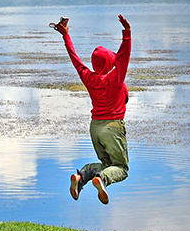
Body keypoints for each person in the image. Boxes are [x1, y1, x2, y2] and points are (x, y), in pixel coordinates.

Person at [51, 14, 132, 205]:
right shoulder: (115, 79)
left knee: (106, 165)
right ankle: (101, 180)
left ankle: (80, 178)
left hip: (95, 128)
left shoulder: (89, 78)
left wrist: (66, 36)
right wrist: (127, 33)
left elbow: (75, 59)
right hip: (113, 127)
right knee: (121, 168)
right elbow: (124, 56)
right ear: (111, 62)